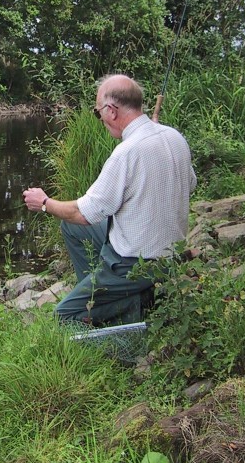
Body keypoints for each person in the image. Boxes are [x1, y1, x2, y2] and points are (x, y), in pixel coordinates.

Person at [23, 74, 196, 325]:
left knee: (64, 316)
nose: (100, 119)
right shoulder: (174, 137)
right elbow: (190, 185)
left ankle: (125, 306)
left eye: (98, 113)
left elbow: (83, 213)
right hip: (171, 254)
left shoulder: (126, 153)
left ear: (111, 110)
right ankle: (99, 293)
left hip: (135, 264)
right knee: (70, 227)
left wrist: (44, 202)